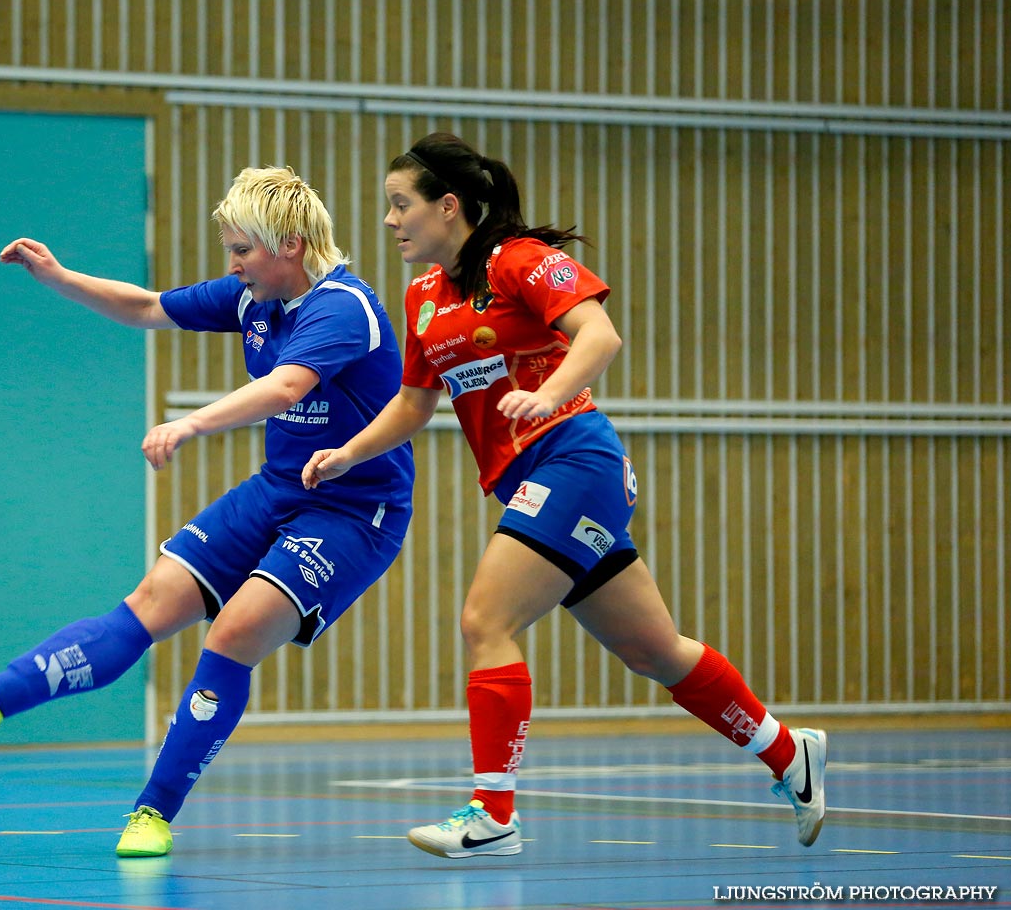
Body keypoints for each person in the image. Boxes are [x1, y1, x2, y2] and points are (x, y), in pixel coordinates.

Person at [302, 132, 826, 859]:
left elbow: (600, 336)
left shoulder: (518, 261)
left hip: (574, 460)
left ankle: (493, 815)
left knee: (485, 619)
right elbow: (415, 404)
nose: (389, 221)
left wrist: (546, 395)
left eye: (401, 206)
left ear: (448, 207)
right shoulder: (423, 298)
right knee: (655, 651)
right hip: (534, 482)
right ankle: (788, 752)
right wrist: (347, 455)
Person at [0, 165, 414, 858]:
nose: (232, 263)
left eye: (242, 249)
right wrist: (60, 277)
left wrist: (189, 424)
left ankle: (153, 812)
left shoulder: (343, 307)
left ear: (292, 245)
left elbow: (285, 387)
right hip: (279, 489)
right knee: (152, 599)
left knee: (234, 631)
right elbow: (146, 307)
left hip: (354, 510)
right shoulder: (253, 298)